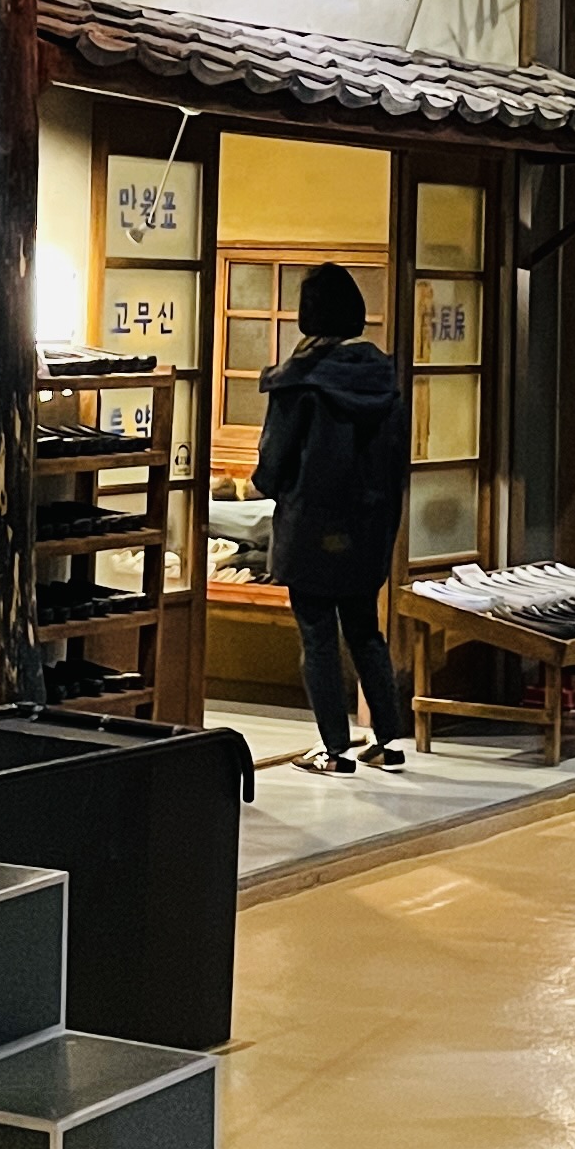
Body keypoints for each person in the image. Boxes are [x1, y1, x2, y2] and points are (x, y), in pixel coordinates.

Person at [252, 261, 411, 777]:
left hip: (311, 527)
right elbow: (398, 462)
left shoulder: (300, 381)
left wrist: (267, 486)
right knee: (365, 630)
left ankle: (334, 749)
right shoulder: (383, 378)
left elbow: (273, 463)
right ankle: (388, 741)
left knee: (318, 635)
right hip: (369, 527)